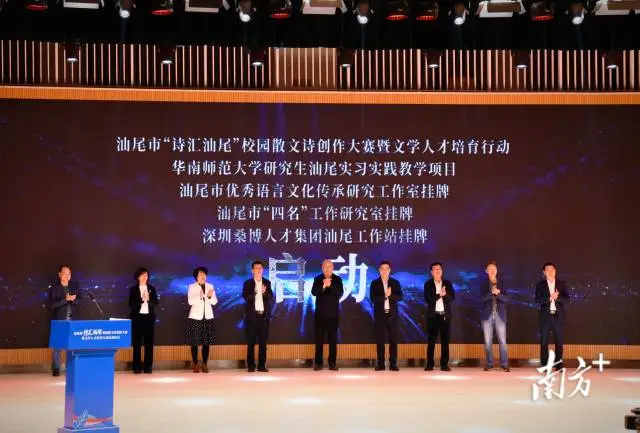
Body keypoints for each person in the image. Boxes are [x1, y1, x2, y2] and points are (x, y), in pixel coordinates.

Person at [535, 262, 569, 370]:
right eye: (547, 270)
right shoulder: (540, 285)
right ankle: (544, 364)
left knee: (559, 341)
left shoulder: (561, 284)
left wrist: (557, 298)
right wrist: (550, 298)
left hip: (558, 316)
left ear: (555, 271)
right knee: (544, 341)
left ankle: (558, 364)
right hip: (545, 316)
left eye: (552, 269)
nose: (550, 271)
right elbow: (537, 300)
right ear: (544, 272)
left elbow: (567, 299)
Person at [369, 261, 403, 371]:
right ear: (379, 270)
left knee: (393, 341)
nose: (384, 271)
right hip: (380, 315)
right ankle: (381, 364)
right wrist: (384, 295)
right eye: (382, 268)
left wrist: (390, 295)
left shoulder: (395, 283)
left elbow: (400, 297)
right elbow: (373, 298)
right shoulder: (374, 283)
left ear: (389, 270)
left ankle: (393, 364)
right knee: (380, 341)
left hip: (392, 315)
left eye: (386, 268)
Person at [311, 259, 344, 371]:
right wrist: (324, 286)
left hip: (333, 315)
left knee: (333, 340)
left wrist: (330, 285)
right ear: (322, 268)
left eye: (329, 266)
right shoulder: (317, 279)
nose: (327, 269)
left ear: (333, 268)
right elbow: (314, 292)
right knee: (319, 340)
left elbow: (340, 293)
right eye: (325, 267)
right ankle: (318, 363)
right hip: (319, 314)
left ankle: (332, 363)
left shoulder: (337, 279)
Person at [48, 264, 81, 377]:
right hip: (59, 320)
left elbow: (80, 300)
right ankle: (56, 368)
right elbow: (52, 305)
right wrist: (65, 299)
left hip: (73, 320)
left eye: (69, 273)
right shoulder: (54, 288)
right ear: (59, 274)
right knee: (57, 346)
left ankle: (71, 367)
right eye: (64, 273)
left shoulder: (75, 286)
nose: (67, 275)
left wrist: (73, 300)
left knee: (72, 345)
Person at [241, 261, 274, 372]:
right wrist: (255, 292)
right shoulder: (248, 283)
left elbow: (271, 297)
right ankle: (251, 365)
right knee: (251, 342)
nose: (259, 270)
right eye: (256, 268)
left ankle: (261, 365)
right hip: (252, 317)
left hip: (264, 317)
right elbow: (246, 297)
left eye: (260, 268)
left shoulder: (267, 282)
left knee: (263, 343)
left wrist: (264, 293)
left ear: (262, 270)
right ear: (252, 271)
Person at [423, 262, 455, 371]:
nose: (437, 271)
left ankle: (444, 365)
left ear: (442, 271)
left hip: (445, 316)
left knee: (445, 341)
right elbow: (428, 300)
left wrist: (445, 295)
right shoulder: (428, 284)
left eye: (439, 269)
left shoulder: (447, 283)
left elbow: (452, 298)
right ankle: (430, 364)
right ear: (431, 272)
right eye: (435, 269)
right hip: (433, 316)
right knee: (431, 341)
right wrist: (439, 295)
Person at [480, 261, 510, 372]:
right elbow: (481, 298)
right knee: (488, 343)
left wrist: (498, 294)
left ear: (497, 271)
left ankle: (504, 364)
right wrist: (491, 293)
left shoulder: (502, 283)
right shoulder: (483, 284)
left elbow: (507, 298)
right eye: (490, 269)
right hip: (486, 316)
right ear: (486, 271)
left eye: (494, 269)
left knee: (502, 342)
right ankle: (490, 364)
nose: (492, 270)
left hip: (500, 315)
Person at [186, 267, 217, 373]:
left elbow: (214, 302)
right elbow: (190, 301)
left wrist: (209, 296)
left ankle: (205, 364)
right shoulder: (192, 287)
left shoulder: (210, 286)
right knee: (194, 342)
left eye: (204, 274)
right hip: (195, 317)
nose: (203, 276)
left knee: (206, 342)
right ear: (196, 277)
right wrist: (199, 297)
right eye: (200, 274)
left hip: (207, 317)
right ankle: (195, 363)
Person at [128, 267, 158, 374]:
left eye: (146, 275)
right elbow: (131, 305)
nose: (145, 277)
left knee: (149, 344)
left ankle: (148, 367)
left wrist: (149, 299)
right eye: (142, 275)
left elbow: (155, 303)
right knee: (137, 344)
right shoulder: (133, 289)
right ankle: (137, 367)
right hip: (137, 319)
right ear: (138, 277)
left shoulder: (151, 288)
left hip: (149, 318)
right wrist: (141, 299)